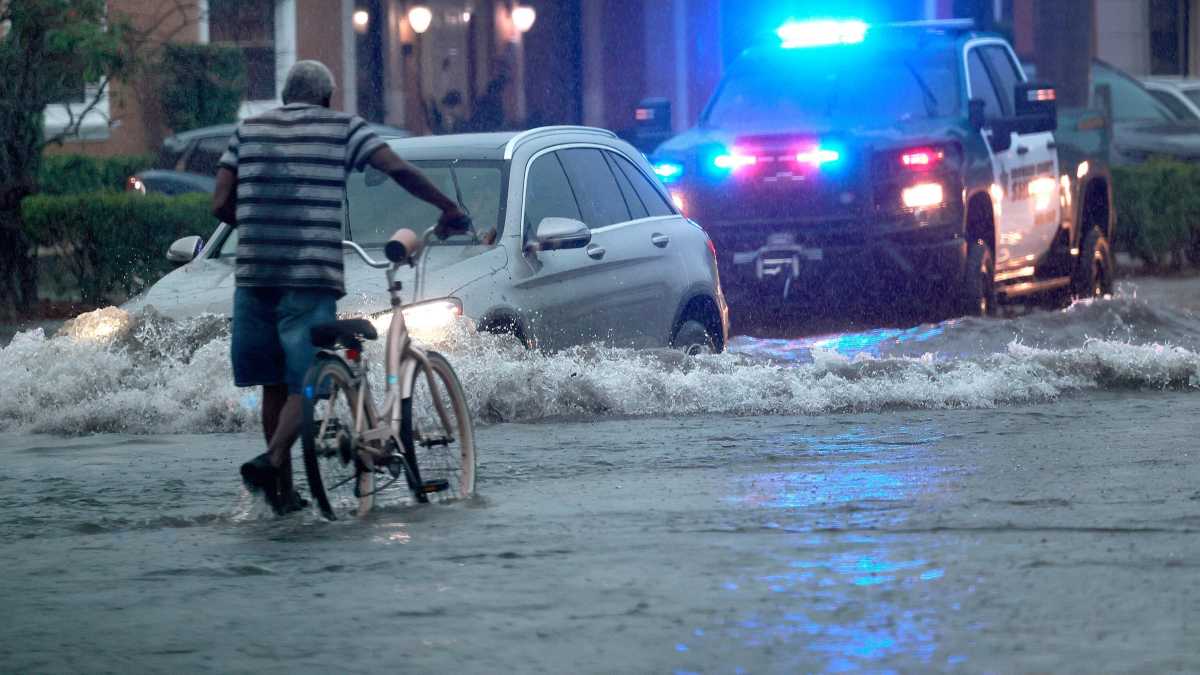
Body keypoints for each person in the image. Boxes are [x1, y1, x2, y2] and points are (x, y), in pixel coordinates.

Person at [211, 60, 468, 514]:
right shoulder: (342, 127)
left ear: (286, 95)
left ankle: (282, 491)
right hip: (309, 273)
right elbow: (398, 169)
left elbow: (220, 203)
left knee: (274, 383)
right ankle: (272, 460)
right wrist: (448, 208)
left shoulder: (247, 131)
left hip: (253, 272)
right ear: (327, 98)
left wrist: (258, 225)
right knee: (306, 377)